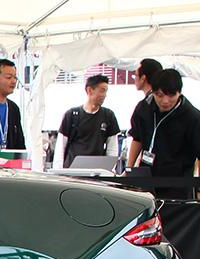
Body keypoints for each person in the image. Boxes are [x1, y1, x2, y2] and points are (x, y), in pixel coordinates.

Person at [127, 68, 200, 200]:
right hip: (146, 178)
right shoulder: (143, 108)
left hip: (177, 184)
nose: (165, 101)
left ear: (179, 92)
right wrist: (129, 168)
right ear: (153, 91)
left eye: (171, 95)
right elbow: (137, 138)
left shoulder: (192, 117)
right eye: (159, 95)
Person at [53, 74, 120, 168]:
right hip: (72, 171)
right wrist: (58, 170)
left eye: (106, 91)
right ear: (89, 90)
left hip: (97, 171)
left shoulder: (109, 115)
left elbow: (112, 148)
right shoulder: (71, 115)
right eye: (102, 91)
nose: (105, 95)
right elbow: (61, 146)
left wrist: (110, 169)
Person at [125, 58, 163, 170]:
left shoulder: (144, 106)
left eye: (136, 75)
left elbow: (137, 138)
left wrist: (129, 168)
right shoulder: (146, 104)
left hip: (155, 168)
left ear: (143, 78)